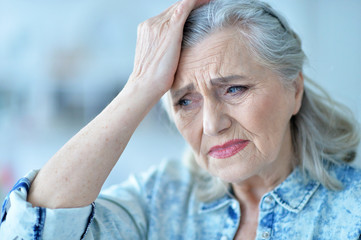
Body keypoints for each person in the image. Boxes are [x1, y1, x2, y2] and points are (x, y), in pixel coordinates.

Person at [1, 0, 360, 239]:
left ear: (294, 90)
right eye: (185, 101)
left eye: (234, 89)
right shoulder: (161, 198)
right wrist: (139, 87)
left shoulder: (352, 210)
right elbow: (29, 231)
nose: (211, 125)